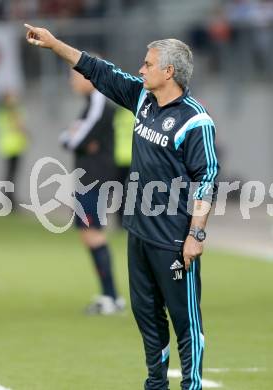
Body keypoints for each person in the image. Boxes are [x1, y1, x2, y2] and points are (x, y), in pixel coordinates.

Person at [25, 23, 220, 390]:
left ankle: (191, 386)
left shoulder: (195, 121)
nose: (141, 69)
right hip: (139, 232)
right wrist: (53, 45)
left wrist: (195, 234)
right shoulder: (142, 99)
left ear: (169, 72)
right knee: (147, 316)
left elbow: (207, 179)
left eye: (148, 64)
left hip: (173, 240)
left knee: (185, 321)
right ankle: (155, 384)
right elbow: (97, 69)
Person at [59, 69, 125, 315]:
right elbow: (69, 136)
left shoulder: (99, 104)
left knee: (93, 233)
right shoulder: (89, 104)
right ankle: (110, 295)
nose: (71, 81)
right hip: (87, 176)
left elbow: (72, 140)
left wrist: (75, 137)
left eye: (75, 76)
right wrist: (74, 137)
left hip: (94, 177)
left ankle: (111, 297)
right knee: (88, 233)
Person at [0, 91, 29, 209]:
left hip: (15, 147)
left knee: (11, 175)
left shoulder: (10, 111)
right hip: (10, 147)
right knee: (10, 175)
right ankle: (8, 200)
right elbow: (18, 126)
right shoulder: (7, 112)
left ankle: (8, 199)